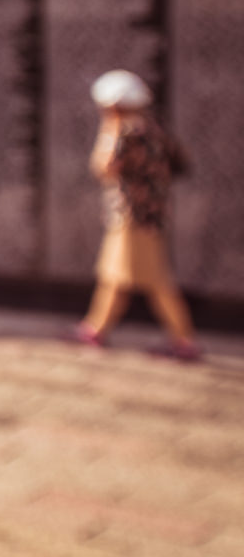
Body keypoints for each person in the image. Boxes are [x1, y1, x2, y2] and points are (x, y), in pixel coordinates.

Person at [75, 70, 200, 361]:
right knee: (113, 275)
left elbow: (103, 167)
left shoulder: (124, 131)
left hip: (133, 217)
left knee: (156, 280)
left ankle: (184, 340)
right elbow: (181, 163)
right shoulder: (157, 128)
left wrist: (108, 130)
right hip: (151, 215)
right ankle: (95, 328)